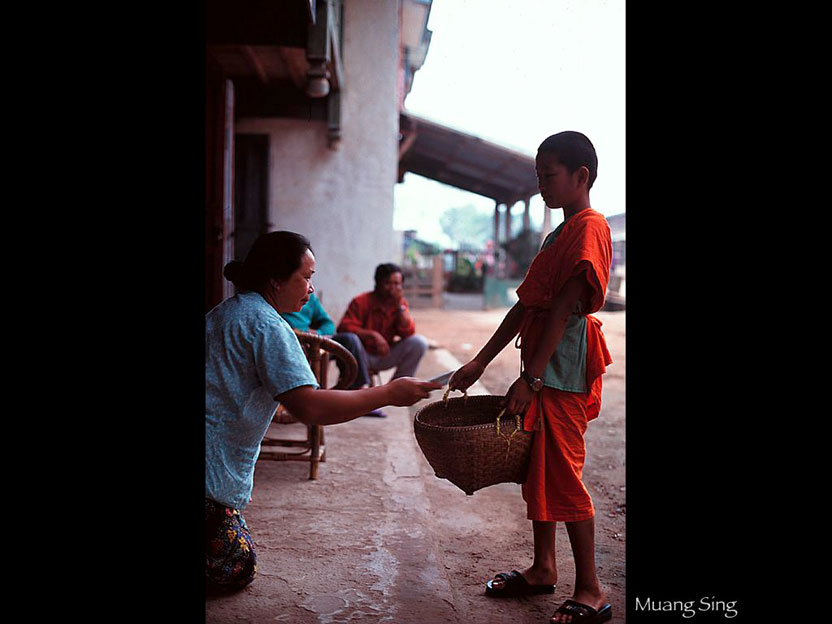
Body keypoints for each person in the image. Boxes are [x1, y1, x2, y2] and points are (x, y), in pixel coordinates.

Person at [205, 232, 441, 594]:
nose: (312, 289)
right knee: (237, 564)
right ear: (275, 279)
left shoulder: (226, 311)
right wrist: (388, 393)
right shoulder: (268, 326)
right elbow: (310, 407)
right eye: (307, 277)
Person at [449, 132, 613, 624]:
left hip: (561, 374)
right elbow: (527, 304)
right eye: (538, 177)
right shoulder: (557, 235)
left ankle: (592, 591)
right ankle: (543, 568)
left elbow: (563, 307)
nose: (541, 186)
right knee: (537, 467)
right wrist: (480, 361)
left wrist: (533, 379)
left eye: (549, 177)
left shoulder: (590, 227)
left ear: (580, 177)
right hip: (544, 369)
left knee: (563, 472)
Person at [336, 263, 429, 417]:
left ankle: (396, 390)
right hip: (361, 356)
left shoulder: (400, 304)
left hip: (384, 355)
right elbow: (344, 328)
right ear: (378, 283)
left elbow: (408, 333)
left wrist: (400, 307)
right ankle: (363, 392)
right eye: (388, 283)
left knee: (419, 342)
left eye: (397, 284)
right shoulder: (361, 301)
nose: (392, 288)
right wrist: (372, 335)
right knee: (351, 339)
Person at [279, 291, 371, 391]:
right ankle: (312, 393)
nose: (311, 288)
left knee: (350, 340)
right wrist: (302, 334)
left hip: (313, 340)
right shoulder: (275, 300)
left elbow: (329, 325)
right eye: (306, 278)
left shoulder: (310, 298)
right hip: (293, 342)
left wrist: (318, 333)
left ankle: (359, 389)